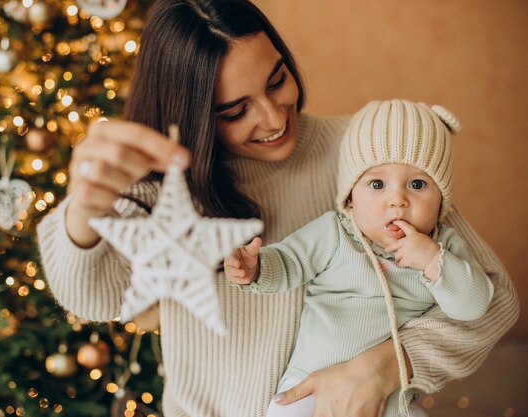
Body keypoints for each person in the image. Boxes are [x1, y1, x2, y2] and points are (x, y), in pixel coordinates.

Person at [36, 1, 519, 416]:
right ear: (190, 114)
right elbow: (91, 297)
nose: (272, 117)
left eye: (277, 79)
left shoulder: (368, 159)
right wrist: (83, 212)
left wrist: (389, 365)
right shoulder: (167, 190)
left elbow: (493, 302)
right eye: (234, 110)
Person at [224, 99, 495, 417]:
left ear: (441, 200)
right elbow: (290, 261)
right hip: (307, 387)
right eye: (377, 184)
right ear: (350, 196)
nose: (398, 200)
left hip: (390, 399)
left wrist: (433, 261)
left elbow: (474, 307)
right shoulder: (335, 233)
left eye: (417, 184)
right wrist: (257, 268)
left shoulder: (445, 247)